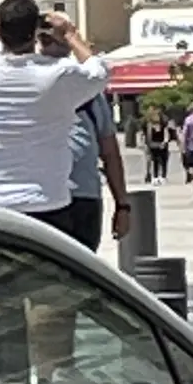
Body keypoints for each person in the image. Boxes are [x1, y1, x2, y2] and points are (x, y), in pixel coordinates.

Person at [0, 0, 110, 234]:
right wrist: (70, 35)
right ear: (34, 32)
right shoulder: (57, 75)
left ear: (0, 30)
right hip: (49, 201)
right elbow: (100, 72)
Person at [40, 34, 131, 251]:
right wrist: (69, 35)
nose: (52, 41)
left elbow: (110, 153)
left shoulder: (90, 94)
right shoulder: (28, 87)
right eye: (45, 38)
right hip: (43, 197)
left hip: (83, 197)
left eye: (57, 37)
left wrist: (122, 206)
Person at [142, 108, 174, 184]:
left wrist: (164, 142)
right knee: (156, 161)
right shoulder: (150, 125)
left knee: (162, 160)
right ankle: (156, 177)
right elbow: (147, 136)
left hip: (159, 145)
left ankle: (161, 176)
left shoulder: (163, 124)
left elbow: (166, 134)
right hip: (154, 145)